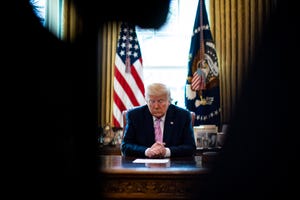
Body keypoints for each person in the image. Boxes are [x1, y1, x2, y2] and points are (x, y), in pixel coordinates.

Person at [121, 83, 196, 158]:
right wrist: (147, 151)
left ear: (169, 101)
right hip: (142, 166)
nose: (156, 106)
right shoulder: (134, 116)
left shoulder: (183, 116)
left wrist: (166, 151)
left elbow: (190, 147)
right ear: (146, 101)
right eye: (152, 101)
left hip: (173, 166)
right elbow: (125, 146)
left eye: (160, 101)